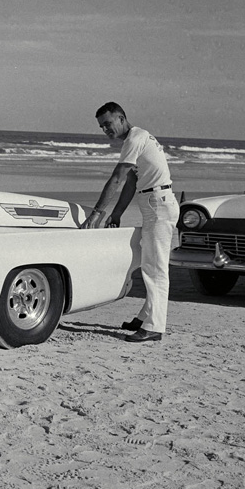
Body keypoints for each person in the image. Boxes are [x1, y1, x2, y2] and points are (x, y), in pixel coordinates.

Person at [82, 102, 179, 343]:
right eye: (101, 126)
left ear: (122, 118)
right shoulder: (136, 139)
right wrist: (116, 214)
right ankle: (145, 316)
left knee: (155, 269)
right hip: (154, 202)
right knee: (150, 263)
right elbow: (132, 183)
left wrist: (96, 213)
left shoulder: (135, 138)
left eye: (108, 123)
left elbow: (117, 178)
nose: (105, 129)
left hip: (158, 204)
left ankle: (155, 327)